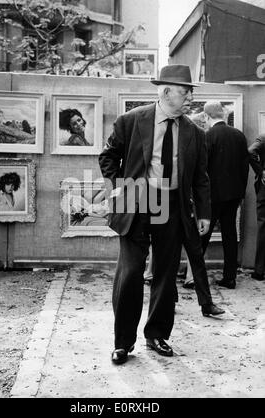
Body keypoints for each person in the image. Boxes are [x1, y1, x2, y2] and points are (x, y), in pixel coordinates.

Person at [99, 64, 225, 366]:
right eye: (185, 92)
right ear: (166, 92)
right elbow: (108, 157)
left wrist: (204, 212)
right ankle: (123, 342)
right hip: (137, 203)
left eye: (191, 92)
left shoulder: (195, 132)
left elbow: (200, 176)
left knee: (166, 276)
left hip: (173, 206)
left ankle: (156, 334)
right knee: (130, 274)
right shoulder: (131, 121)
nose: (189, 99)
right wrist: (119, 190)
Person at [200, 101, 249, 289]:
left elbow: (202, 169)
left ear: (206, 116)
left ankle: (196, 275)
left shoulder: (208, 136)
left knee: (203, 234)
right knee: (230, 234)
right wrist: (241, 192)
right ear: (223, 114)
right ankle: (230, 277)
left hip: (213, 196)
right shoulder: (239, 135)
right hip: (234, 194)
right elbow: (244, 167)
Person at [248, 135, 265, 281]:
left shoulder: (263, 138)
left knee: (263, 226)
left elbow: (250, 151)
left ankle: (260, 270)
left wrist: (261, 171)